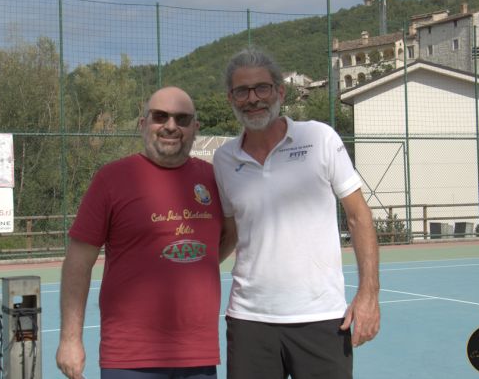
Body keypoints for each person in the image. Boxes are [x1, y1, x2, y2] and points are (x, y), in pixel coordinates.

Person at [213, 47, 380, 379]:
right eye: (242, 91)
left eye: (262, 88)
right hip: (249, 322)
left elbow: (359, 216)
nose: (253, 99)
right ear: (231, 98)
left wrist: (368, 294)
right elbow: (231, 233)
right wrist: (184, 274)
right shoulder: (224, 159)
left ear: (280, 92)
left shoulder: (319, 138)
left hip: (322, 319)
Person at [56, 86, 224, 379]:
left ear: (195, 128)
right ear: (143, 124)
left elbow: (227, 236)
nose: (171, 126)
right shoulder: (111, 179)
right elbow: (78, 263)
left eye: (182, 119)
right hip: (129, 357)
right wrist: (70, 340)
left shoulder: (214, 179)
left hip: (198, 356)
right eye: (160, 116)